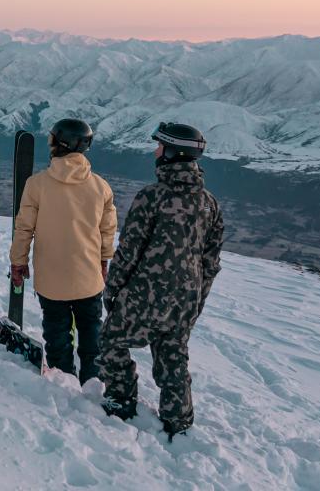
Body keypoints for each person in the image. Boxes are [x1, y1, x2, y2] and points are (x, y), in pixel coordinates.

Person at [98, 121, 224, 441]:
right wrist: (196, 302)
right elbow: (210, 263)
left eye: (160, 147)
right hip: (186, 297)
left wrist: (112, 292)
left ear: (172, 153)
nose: (156, 151)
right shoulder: (209, 203)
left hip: (145, 293)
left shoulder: (151, 197)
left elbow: (128, 250)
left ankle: (122, 400)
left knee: (112, 342)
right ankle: (178, 421)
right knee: (173, 354)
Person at [9, 118, 117, 384]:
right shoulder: (100, 186)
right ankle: (94, 383)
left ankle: (63, 383)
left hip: (51, 279)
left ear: (57, 144)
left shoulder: (37, 184)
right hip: (89, 278)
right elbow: (108, 231)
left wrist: (18, 262)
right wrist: (103, 261)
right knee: (92, 332)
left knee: (57, 335)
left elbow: (24, 229)